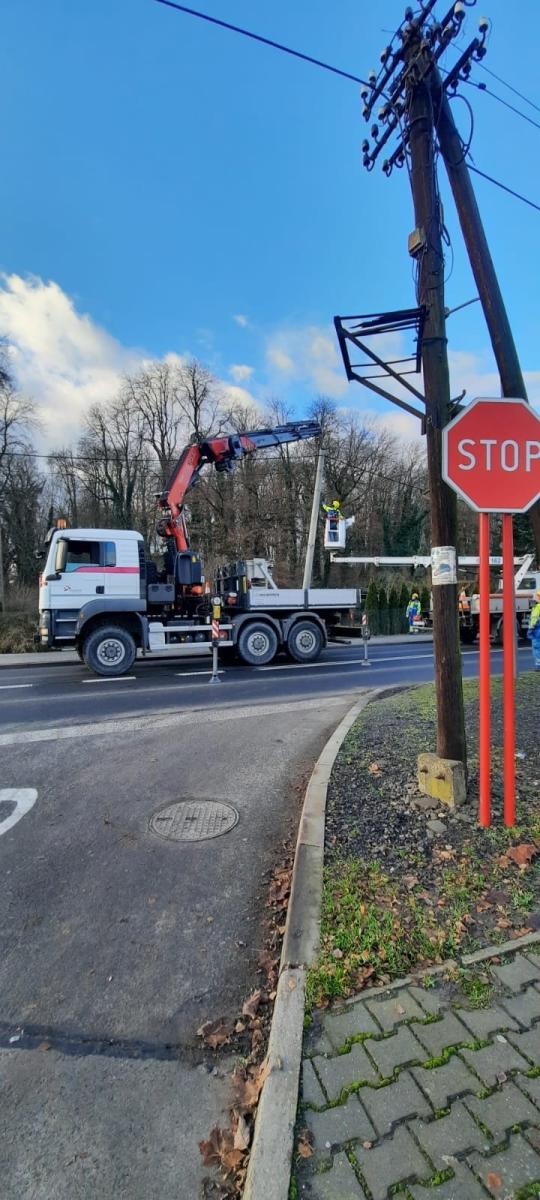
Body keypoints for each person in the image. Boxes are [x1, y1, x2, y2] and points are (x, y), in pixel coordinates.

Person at [527, 589, 540, 670]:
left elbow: (534, 619)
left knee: (536, 646)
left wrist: (531, 628)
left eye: (536, 597)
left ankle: (539, 666)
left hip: (536, 629)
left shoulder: (537, 607)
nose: (534, 599)